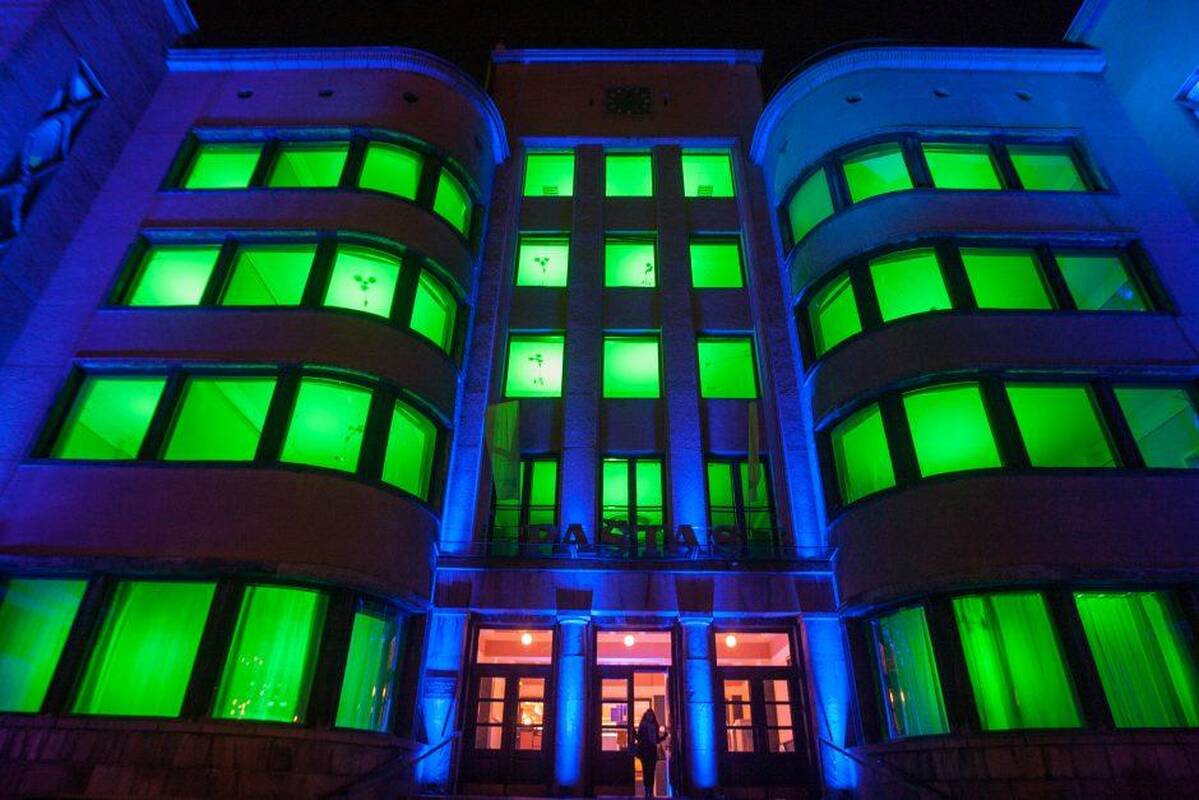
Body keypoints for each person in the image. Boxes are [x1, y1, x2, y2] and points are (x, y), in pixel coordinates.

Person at [633, 707, 668, 798]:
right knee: (648, 771)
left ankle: (649, 790)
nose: (650, 717)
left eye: (651, 715)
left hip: (649, 751)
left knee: (650, 771)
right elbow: (652, 739)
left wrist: (663, 737)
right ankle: (648, 790)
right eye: (649, 715)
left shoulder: (647, 726)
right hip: (647, 751)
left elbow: (654, 739)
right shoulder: (650, 726)